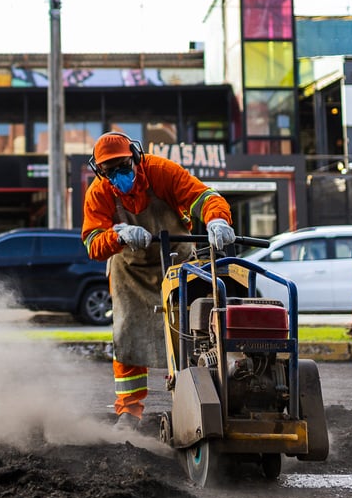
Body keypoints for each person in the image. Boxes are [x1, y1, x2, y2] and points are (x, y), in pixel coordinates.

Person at [81, 132, 236, 430]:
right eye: (109, 170)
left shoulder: (162, 172)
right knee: (127, 335)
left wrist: (217, 219)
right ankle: (129, 412)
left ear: (136, 157)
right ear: (99, 170)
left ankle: (195, 399)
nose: (117, 175)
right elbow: (92, 244)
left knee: (191, 333)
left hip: (176, 261)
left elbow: (202, 196)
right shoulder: (99, 193)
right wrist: (118, 236)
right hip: (131, 271)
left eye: (122, 165)